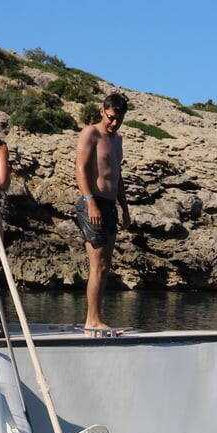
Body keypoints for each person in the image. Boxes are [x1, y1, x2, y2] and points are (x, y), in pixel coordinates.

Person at [73, 92, 131, 336]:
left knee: (105, 266)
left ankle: (93, 320)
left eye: (119, 119)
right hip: (93, 203)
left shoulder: (117, 140)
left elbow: (117, 176)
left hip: (109, 205)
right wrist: (90, 202)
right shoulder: (91, 133)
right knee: (97, 265)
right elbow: (80, 169)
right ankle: (93, 322)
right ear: (102, 112)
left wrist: (124, 208)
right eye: (111, 117)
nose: (114, 123)